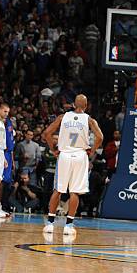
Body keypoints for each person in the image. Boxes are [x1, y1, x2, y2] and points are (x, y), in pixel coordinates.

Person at [42, 94, 103, 236]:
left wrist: (54, 149)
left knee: (58, 190)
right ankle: (68, 225)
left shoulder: (63, 117)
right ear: (86, 106)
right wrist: (91, 151)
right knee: (74, 192)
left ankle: (50, 223)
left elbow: (47, 133)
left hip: (64, 155)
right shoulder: (89, 119)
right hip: (80, 156)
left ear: (74, 105)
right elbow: (100, 137)